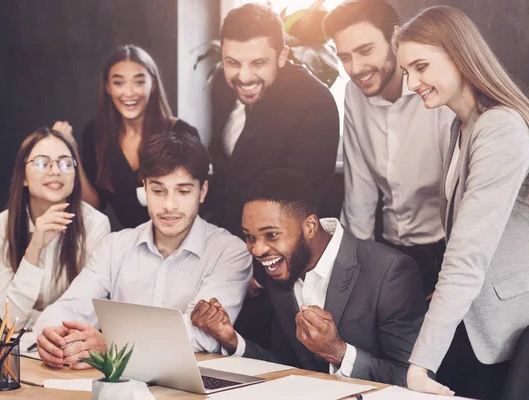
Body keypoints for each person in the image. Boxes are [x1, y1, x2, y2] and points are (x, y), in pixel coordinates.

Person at [394, 6, 529, 399]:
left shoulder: (501, 128)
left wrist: (420, 365)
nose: (410, 83)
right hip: (472, 320)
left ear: (460, 55)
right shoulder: (457, 127)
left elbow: (467, 255)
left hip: (508, 329)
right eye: (406, 71)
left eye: (421, 66)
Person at [34, 131, 252, 369]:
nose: (169, 205)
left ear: (202, 191)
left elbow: (200, 333)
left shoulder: (230, 252)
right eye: (158, 191)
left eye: (183, 191)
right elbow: (72, 305)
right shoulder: (115, 246)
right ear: (144, 189)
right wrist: (51, 334)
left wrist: (112, 345)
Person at [191, 169, 426, 386]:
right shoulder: (280, 268)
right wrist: (232, 340)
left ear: (310, 227)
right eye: (249, 237)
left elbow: (411, 377)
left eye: (271, 235)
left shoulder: (390, 272)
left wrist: (339, 351)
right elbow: (286, 364)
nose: (257, 250)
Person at [209, 2, 340, 350]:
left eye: (258, 63)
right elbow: (224, 175)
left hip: (283, 267)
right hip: (230, 257)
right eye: (233, 62)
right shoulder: (222, 89)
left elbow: (301, 203)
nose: (245, 76)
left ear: (282, 55)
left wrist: (258, 267)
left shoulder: (314, 102)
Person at [323, 0, 455, 299]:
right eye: (344, 57)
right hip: (386, 251)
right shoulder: (353, 94)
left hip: (446, 249)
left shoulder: (437, 89)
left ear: (396, 38)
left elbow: (461, 189)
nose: (355, 68)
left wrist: (452, 273)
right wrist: (354, 270)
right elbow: (360, 191)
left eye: (365, 50)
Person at [54, 45, 199, 229]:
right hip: (130, 245)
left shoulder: (182, 133)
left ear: (153, 85)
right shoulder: (96, 134)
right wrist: (71, 151)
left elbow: (195, 204)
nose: (129, 93)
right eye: (119, 83)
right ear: (108, 87)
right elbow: (92, 206)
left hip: (178, 239)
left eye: (139, 82)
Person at [0, 127, 111, 326]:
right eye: (42, 163)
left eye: (66, 164)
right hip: (20, 349)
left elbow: (85, 313)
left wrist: (31, 319)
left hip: (68, 346)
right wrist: (34, 248)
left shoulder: (95, 225)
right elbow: (9, 322)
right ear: (23, 176)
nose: (55, 171)